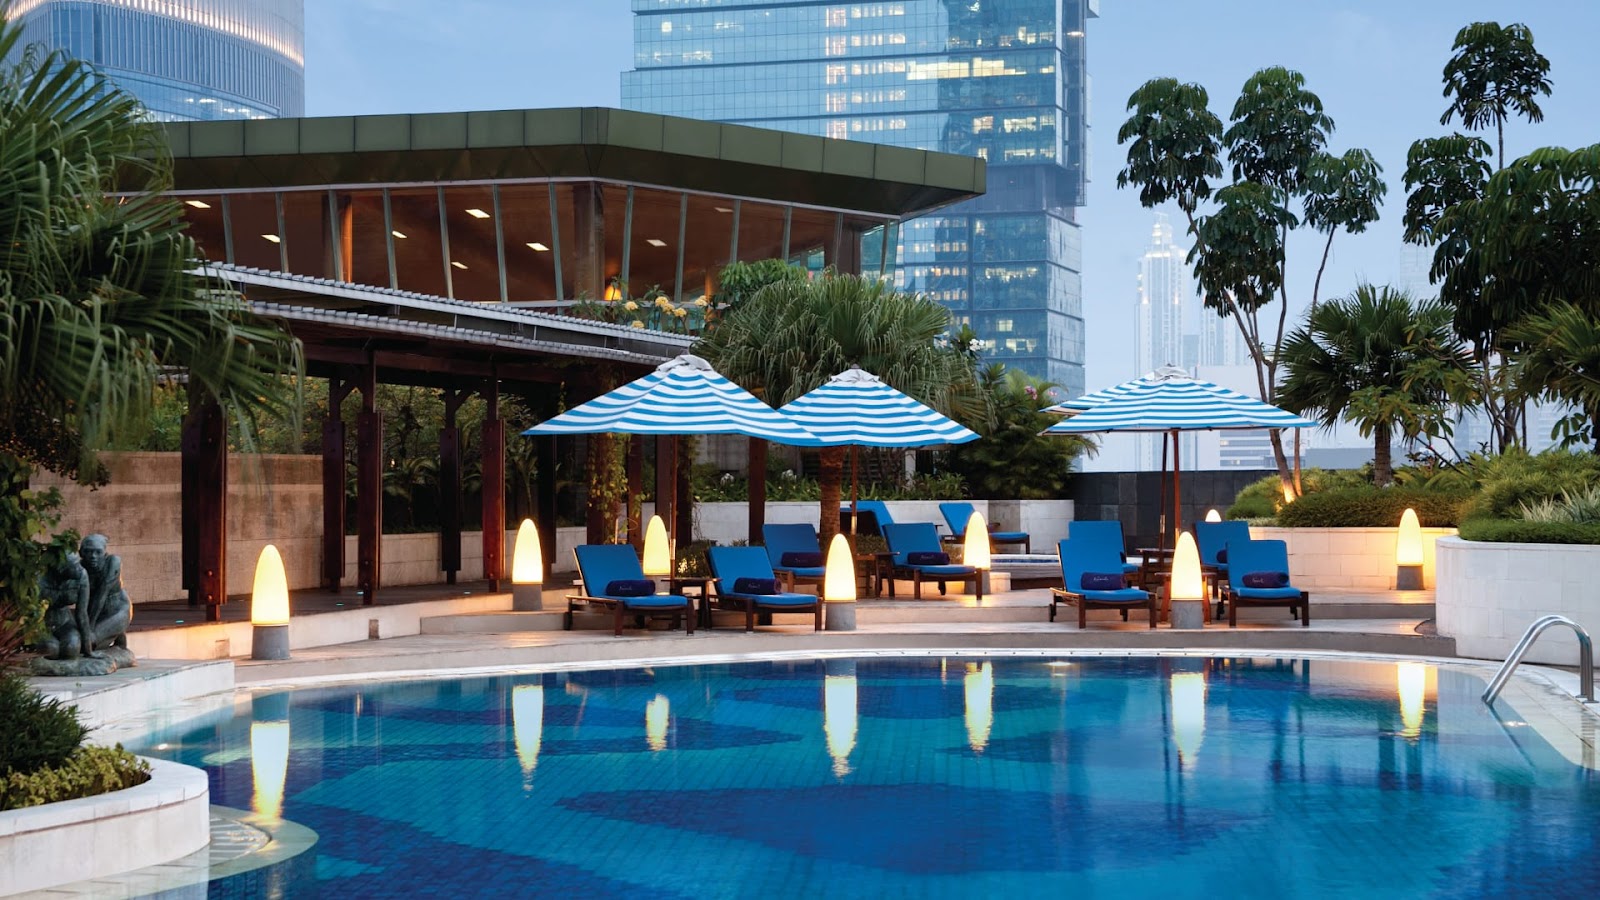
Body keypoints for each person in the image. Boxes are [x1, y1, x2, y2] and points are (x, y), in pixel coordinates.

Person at [78, 533, 131, 652]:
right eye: (89, 552)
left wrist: (89, 629)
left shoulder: (113, 562)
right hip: (93, 613)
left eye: (98, 552)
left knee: (89, 643)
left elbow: (101, 595)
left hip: (118, 611)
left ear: (104, 553)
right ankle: (117, 642)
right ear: (81, 553)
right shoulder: (79, 568)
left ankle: (116, 642)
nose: (93, 556)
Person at [37, 553, 91, 660]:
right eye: (74, 566)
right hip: (42, 623)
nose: (79, 568)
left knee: (72, 648)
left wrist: (88, 649)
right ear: (61, 569)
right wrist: (59, 597)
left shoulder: (81, 575)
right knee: (51, 650)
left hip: (65, 622)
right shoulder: (40, 577)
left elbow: (82, 614)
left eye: (78, 563)